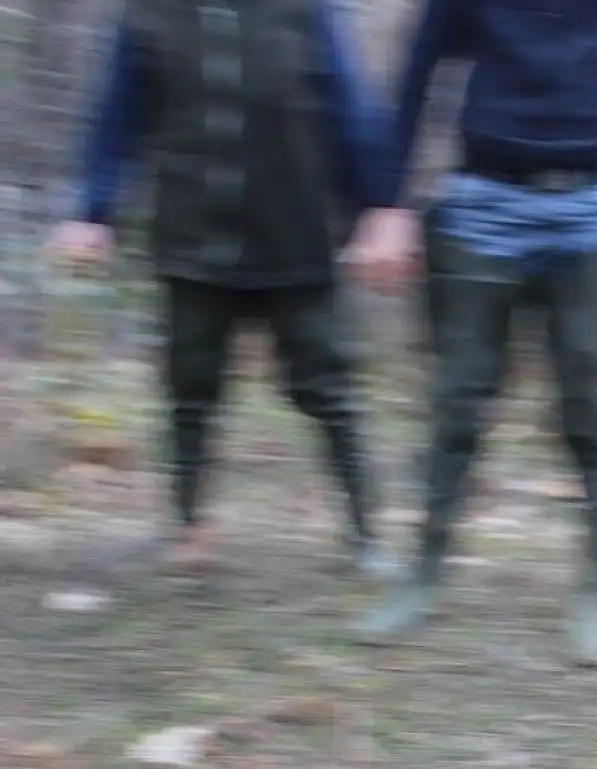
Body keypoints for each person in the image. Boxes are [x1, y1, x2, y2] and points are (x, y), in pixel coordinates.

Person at [346, 0, 597, 665]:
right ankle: (424, 572)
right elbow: (417, 74)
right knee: (456, 401)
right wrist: (386, 205)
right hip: (482, 205)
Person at [49, 0, 392, 577]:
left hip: (295, 236)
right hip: (193, 239)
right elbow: (117, 117)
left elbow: (350, 111)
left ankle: (367, 534)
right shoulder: (149, 15)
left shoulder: (308, 12)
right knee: (190, 389)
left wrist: (376, 208)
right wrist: (92, 211)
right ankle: (187, 526)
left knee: (329, 388)